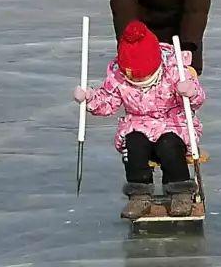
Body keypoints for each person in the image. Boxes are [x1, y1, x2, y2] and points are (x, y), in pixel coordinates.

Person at [73, 20, 206, 220]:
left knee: (170, 146)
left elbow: (196, 101)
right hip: (137, 123)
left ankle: (180, 192)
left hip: (173, 124)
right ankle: (139, 194)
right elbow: (107, 101)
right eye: (135, 80)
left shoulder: (174, 69)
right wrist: (89, 98)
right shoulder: (119, 76)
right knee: (133, 143)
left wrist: (190, 91)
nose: (140, 83)